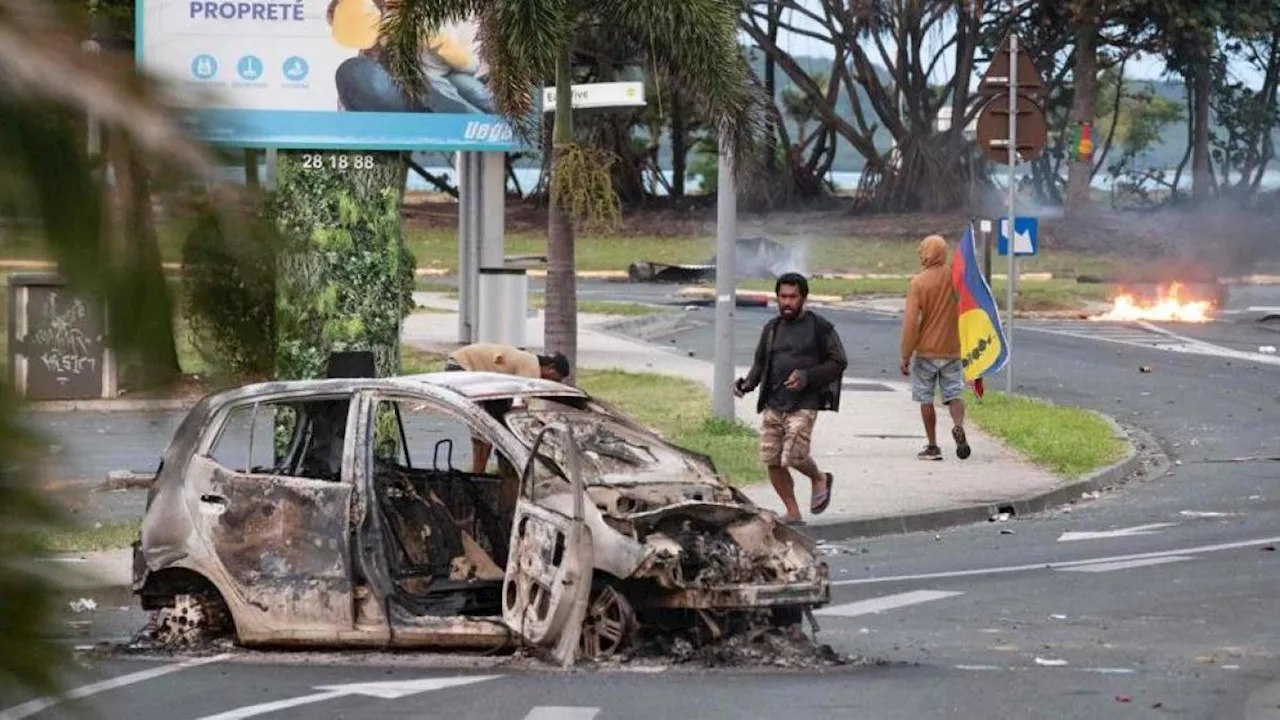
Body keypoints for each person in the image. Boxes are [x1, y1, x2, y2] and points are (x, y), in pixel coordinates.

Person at [734, 273, 847, 526]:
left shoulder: (820, 327)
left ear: (803, 298)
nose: (787, 302)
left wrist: (808, 376)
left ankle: (819, 478)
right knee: (772, 460)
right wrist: (747, 384)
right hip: (775, 402)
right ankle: (793, 512)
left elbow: (839, 361)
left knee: (794, 455)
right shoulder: (771, 329)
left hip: (805, 402)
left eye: (792, 297)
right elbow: (761, 363)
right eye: (782, 297)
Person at [444, 343, 571, 473]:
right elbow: (519, 407)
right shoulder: (532, 368)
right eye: (557, 379)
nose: (555, 383)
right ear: (550, 368)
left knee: (498, 418)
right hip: (463, 367)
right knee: (485, 430)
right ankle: (479, 473)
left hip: (463, 366)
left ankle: (489, 469)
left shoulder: (525, 360)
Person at [899, 234, 971, 461]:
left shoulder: (918, 282)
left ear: (926, 253)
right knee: (954, 393)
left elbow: (911, 321)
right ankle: (958, 425)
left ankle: (932, 445)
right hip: (953, 348)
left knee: (926, 398)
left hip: (927, 351)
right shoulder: (956, 277)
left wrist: (905, 353)